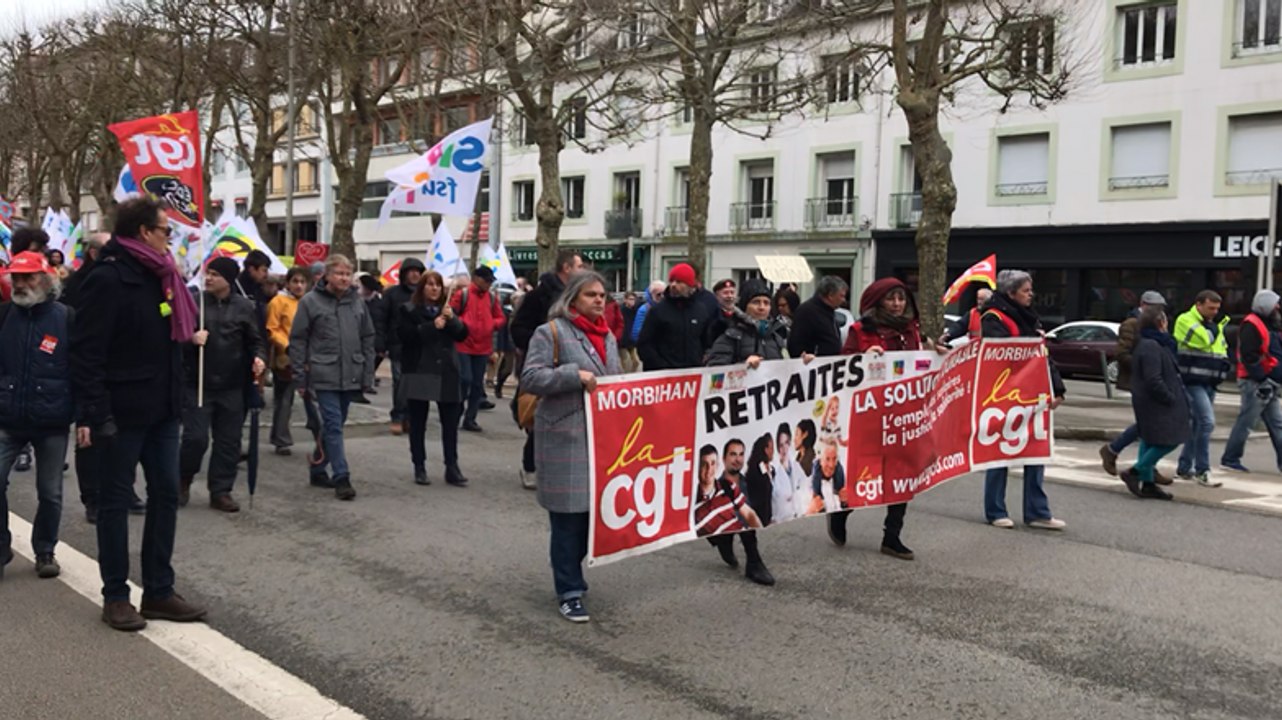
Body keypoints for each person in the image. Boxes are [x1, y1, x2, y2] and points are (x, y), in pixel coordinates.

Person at [71, 196, 207, 631]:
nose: (172, 237)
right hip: (122, 411)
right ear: (145, 233)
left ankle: (159, 591)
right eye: (166, 229)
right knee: (114, 503)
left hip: (163, 409)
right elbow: (86, 352)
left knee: (166, 494)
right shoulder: (108, 279)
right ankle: (115, 595)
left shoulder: (162, 276)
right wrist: (95, 412)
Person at [520, 271, 621, 623]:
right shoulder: (550, 332)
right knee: (567, 520)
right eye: (591, 294)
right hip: (565, 436)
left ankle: (571, 574)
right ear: (573, 298)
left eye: (603, 295)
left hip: (600, 439)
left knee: (592, 517)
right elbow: (530, 378)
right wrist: (571, 375)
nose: (599, 300)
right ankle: (569, 590)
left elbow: (614, 380)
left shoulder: (606, 336)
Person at [838, 277, 926, 560]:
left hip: (904, 416)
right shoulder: (860, 330)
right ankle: (841, 511)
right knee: (863, 473)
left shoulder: (912, 329)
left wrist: (935, 354)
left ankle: (892, 536)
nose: (898, 305)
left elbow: (918, 362)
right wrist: (863, 357)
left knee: (903, 475)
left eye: (901, 299)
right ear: (878, 302)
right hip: (871, 416)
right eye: (891, 299)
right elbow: (843, 366)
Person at [0, 251, 73, 580]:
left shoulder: (67, 318)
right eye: (15, 277)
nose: (20, 283)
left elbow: (82, 370)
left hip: (52, 421)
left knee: (50, 492)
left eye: (28, 277)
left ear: (45, 280)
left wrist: (83, 415)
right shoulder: (3, 317)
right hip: (7, 418)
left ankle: (45, 549)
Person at [980, 270, 1067, 530]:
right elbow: (1003, 354)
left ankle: (1037, 512)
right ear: (1011, 293)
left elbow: (1042, 356)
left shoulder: (1030, 317)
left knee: (1036, 451)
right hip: (1004, 395)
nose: (1031, 294)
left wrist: (1057, 388)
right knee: (1000, 453)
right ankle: (995, 510)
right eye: (1026, 290)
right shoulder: (993, 317)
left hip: (1034, 394)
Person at [179, 256, 266, 513]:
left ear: (228, 279)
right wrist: (190, 338)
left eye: (215, 274)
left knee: (228, 441)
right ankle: (183, 479)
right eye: (207, 273)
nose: (208, 278)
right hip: (198, 383)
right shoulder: (194, 303)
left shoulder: (244, 307)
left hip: (231, 385)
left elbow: (256, 340)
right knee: (195, 438)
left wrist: (259, 358)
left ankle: (221, 490)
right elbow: (173, 335)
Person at [289, 254, 376, 501]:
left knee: (332, 426)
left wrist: (367, 373)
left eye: (347, 274)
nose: (343, 278)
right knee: (334, 425)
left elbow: (368, 337)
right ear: (327, 275)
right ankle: (342, 477)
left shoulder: (357, 303)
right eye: (339, 273)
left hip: (350, 373)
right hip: (322, 374)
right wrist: (300, 376)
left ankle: (317, 466)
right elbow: (298, 340)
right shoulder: (310, 302)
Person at [510, 250, 584, 489]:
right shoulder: (539, 296)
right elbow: (518, 329)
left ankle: (560, 466)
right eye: (579, 266)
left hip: (573, 366)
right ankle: (530, 465)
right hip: (544, 366)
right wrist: (545, 343)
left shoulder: (577, 296)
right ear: (566, 268)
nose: (582, 271)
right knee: (542, 419)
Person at [397, 270, 469, 487]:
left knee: (450, 421)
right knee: (418, 421)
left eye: (437, 285)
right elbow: (405, 336)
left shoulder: (447, 310)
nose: (434, 288)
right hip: (420, 369)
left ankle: (452, 466)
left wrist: (452, 319)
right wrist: (430, 327)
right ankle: (419, 465)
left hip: (446, 371)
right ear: (422, 288)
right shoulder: (408, 310)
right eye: (429, 284)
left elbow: (463, 334)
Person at [1100, 291, 1171, 482]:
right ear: (1144, 305)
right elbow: (1122, 353)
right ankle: (1120, 453)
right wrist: (1145, 365)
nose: (1160, 311)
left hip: (1152, 380)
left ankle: (1145, 465)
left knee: (1150, 424)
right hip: (1140, 381)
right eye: (1156, 307)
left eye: (1161, 308)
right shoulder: (1131, 324)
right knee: (1148, 423)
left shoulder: (1158, 323)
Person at [1119, 306, 1186, 500]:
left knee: (1149, 439)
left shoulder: (1153, 343)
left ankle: (1148, 484)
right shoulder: (1151, 345)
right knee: (1170, 439)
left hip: (1149, 399)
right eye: (1165, 321)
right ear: (1160, 323)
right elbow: (1153, 378)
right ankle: (1135, 471)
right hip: (1154, 401)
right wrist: (1168, 396)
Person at [1173, 290, 1231, 487]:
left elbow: (1221, 349)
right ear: (1198, 305)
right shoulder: (1186, 320)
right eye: (1211, 307)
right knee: (1206, 422)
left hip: (1209, 380)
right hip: (1193, 380)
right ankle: (1202, 470)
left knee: (1198, 424)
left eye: (1217, 308)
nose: (1215, 312)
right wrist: (1215, 328)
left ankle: (1184, 466)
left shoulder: (1212, 324)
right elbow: (1205, 340)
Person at [1220, 290, 1282, 474]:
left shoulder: (1265, 323)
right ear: (1266, 306)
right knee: (1247, 421)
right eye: (1275, 304)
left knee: (1275, 423)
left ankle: (1231, 458)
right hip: (1256, 382)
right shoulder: (1253, 324)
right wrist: (1262, 378)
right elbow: (1249, 356)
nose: (1278, 307)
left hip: (1264, 381)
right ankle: (1230, 458)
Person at [450, 265, 506, 433]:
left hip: (482, 346)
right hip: (464, 344)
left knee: (476, 384)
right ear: (477, 279)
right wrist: (463, 324)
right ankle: (456, 410)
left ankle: (470, 418)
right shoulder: (463, 295)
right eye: (486, 280)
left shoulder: (491, 298)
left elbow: (500, 317)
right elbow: (451, 314)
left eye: (490, 281)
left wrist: (491, 325)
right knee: (465, 379)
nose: (489, 284)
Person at [375, 258, 424, 434]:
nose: (415, 274)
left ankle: (411, 417)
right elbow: (381, 319)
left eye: (418, 271)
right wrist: (380, 342)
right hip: (398, 345)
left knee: (416, 384)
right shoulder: (392, 294)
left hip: (419, 346)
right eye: (411, 271)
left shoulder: (424, 295)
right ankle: (398, 416)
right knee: (400, 383)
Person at [637, 263, 716, 370]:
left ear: (690, 285)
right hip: (664, 375)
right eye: (671, 281)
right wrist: (660, 366)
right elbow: (645, 344)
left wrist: (700, 360)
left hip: (692, 374)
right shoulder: (658, 311)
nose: (673, 285)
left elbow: (706, 341)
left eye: (679, 282)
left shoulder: (700, 311)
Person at [267, 266, 311, 455]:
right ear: (287, 283)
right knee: (285, 399)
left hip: (310, 356)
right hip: (285, 357)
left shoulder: (309, 302)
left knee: (311, 398)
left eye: (302, 282)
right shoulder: (278, 301)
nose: (299, 286)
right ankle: (281, 438)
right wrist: (287, 346)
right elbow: (272, 328)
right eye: (295, 281)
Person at [705, 279, 787, 369]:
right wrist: (743, 366)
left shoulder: (776, 337)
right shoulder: (730, 336)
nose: (762, 307)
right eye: (756, 302)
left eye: (766, 303)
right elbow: (714, 372)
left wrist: (803, 362)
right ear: (745, 306)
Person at [694, 445, 762, 537]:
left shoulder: (727, 486)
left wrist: (761, 538)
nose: (709, 469)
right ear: (697, 468)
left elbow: (750, 515)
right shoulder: (691, 503)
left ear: (718, 465)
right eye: (704, 464)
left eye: (713, 463)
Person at [787, 276, 847, 359]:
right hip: (814, 367)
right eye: (841, 296)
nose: (843, 300)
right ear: (830, 295)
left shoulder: (830, 312)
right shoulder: (806, 312)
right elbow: (796, 344)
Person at [771, 422, 810, 522]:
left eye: (787, 443)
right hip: (783, 522)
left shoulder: (796, 467)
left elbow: (807, 489)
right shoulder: (773, 472)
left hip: (801, 518)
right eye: (781, 445)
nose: (784, 449)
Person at [808, 442, 847, 515]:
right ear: (820, 460)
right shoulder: (808, 488)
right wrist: (810, 511)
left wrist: (848, 502)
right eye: (827, 459)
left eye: (834, 459)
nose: (831, 465)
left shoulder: (845, 483)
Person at [629, 280, 665, 348]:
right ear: (651, 295)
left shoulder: (668, 308)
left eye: (664, 294)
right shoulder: (644, 309)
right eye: (658, 294)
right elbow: (636, 334)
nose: (662, 297)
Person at [706, 278, 738, 346]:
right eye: (725, 293)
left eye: (732, 292)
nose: (729, 296)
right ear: (717, 296)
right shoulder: (711, 315)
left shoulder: (741, 316)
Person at [619, 291, 640, 373]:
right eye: (630, 299)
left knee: (636, 362)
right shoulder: (621, 311)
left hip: (631, 340)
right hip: (622, 340)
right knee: (625, 361)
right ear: (625, 300)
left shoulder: (635, 311)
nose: (632, 301)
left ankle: (631, 376)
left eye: (633, 299)